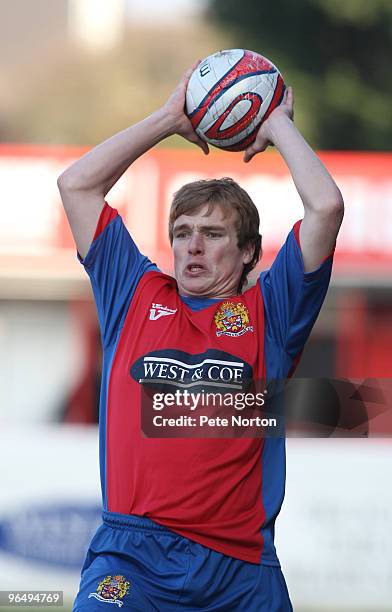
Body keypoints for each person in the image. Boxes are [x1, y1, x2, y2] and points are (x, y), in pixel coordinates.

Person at [58, 61, 344, 611]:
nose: (192, 246)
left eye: (212, 234)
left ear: (247, 254)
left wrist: (277, 122)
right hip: (131, 559)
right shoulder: (135, 294)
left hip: (239, 572)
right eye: (182, 232)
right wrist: (168, 118)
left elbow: (326, 207)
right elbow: (76, 184)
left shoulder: (272, 312)